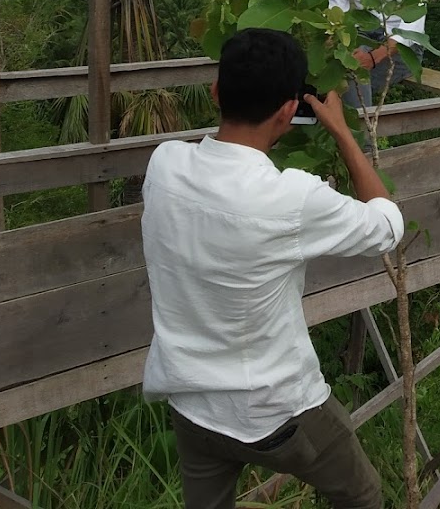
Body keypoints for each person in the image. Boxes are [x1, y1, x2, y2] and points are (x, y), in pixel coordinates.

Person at [141, 27, 403, 509]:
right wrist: (342, 132)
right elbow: (388, 226)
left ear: (216, 91)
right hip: (277, 411)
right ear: (289, 111)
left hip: (192, 405)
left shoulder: (163, 165)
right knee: (363, 496)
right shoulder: (292, 197)